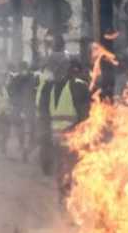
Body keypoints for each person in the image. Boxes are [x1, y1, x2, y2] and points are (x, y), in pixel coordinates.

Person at [38, 56, 90, 194]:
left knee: (66, 167)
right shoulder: (75, 86)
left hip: (67, 137)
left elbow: (44, 114)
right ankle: (67, 194)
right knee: (67, 167)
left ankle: (67, 194)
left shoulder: (75, 86)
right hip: (65, 137)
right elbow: (85, 115)